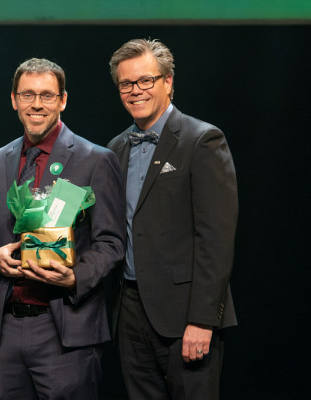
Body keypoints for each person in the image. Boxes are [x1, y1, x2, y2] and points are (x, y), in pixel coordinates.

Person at [0, 58, 126, 400]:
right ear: (14, 100)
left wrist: (75, 278)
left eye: (46, 95)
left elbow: (112, 242)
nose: (37, 104)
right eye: (28, 95)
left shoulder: (95, 159)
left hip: (65, 327)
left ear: (63, 100)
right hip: (7, 327)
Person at [107, 39, 238, 399]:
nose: (136, 91)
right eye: (126, 84)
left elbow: (216, 239)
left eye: (145, 80)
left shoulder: (202, 140)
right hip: (130, 310)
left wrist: (203, 320)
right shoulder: (117, 148)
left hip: (185, 315)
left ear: (168, 82)